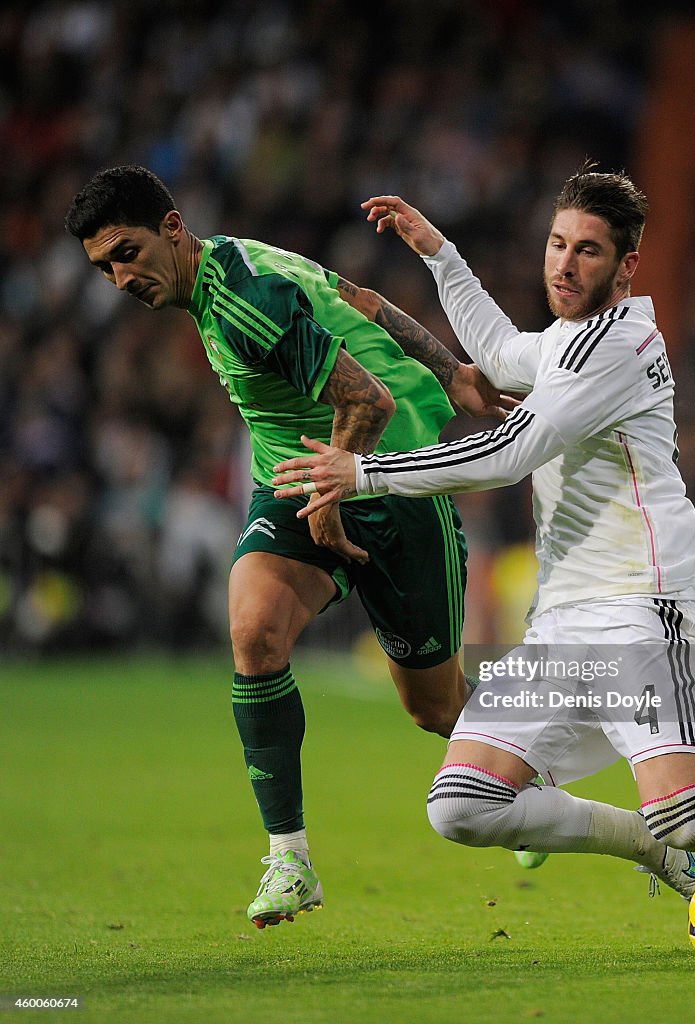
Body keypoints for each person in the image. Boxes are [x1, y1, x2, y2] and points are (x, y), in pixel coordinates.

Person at [272, 162, 695, 906]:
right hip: (560, 625)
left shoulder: (618, 346)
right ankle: (646, 847)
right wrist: (440, 254)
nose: (564, 263)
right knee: (462, 804)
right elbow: (499, 353)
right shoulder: (565, 343)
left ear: (626, 265)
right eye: (557, 244)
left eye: (587, 249)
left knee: (685, 812)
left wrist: (364, 473)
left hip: (640, 613)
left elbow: (508, 452)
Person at [64, 164, 515, 929]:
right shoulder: (235, 261)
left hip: (387, 483)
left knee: (436, 710)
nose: (118, 278)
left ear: (173, 230)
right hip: (298, 477)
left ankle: (528, 785)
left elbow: (366, 400)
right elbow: (364, 304)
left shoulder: (243, 301)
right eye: (104, 266)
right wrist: (457, 372)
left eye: (126, 253)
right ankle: (290, 857)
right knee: (254, 631)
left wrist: (338, 498)